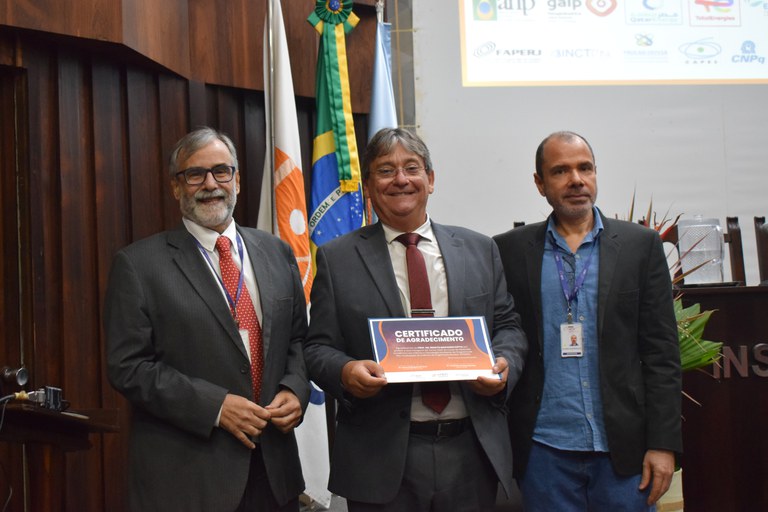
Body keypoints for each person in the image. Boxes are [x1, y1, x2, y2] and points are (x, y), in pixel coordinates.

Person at [303, 127, 528, 511]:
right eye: (386, 170)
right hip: (382, 455)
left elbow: (507, 326)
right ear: (369, 186)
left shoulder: (480, 249)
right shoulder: (337, 259)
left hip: (471, 450)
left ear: (431, 179)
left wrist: (504, 364)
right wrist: (346, 371)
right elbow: (317, 347)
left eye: (412, 167)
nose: (401, 179)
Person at [104, 127, 309, 512]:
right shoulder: (138, 265)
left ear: (237, 180)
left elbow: (298, 339)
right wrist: (214, 406)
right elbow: (128, 367)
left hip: (275, 473)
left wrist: (295, 389)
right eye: (195, 174)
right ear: (176, 187)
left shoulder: (276, 251)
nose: (210, 184)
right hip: (190, 479)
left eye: (221, 171)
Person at [493, 131, 682, 511]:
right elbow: (504, 335)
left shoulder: (639, 246)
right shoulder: (508, 250)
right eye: (560, 171)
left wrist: (663, 444)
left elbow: (662, 354)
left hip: (624, 452)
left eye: (585, 168)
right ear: (539, 183)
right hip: (543, 450)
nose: (576, 180)